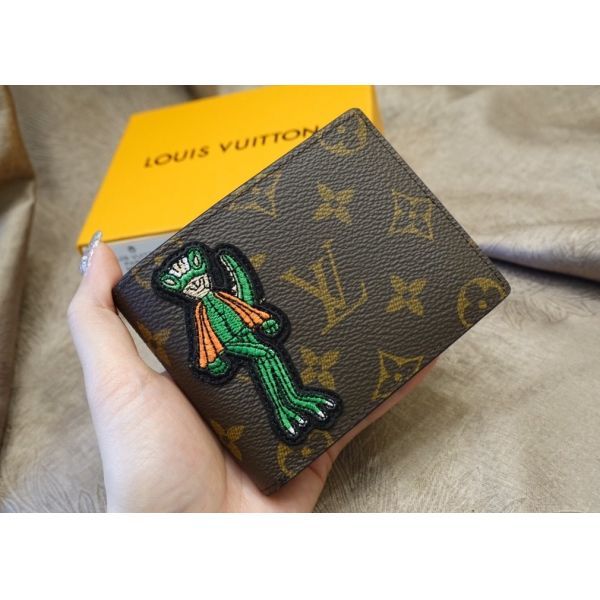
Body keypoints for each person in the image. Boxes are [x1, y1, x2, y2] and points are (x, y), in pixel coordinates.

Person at [68, 234, 432, 512]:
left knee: (271, 358)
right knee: (268, 355)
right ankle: (288, 411)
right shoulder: (201, 309)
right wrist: (216, 360)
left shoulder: (217, 296)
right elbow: (208, 337)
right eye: (192, 287)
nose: (200, 286)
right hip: (233, 345)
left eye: (200, 280)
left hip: (245, 336)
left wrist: (259, 315)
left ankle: (294, 406)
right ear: (186, 291)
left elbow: (242, 305)